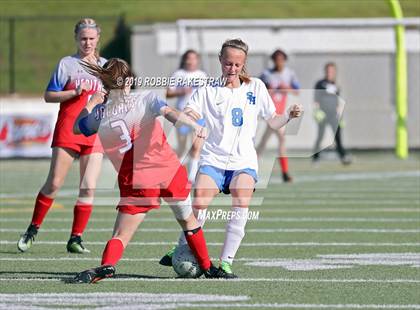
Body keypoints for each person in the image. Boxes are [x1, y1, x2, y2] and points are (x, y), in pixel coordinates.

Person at [72, 58, 230, 283]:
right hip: (167, 170)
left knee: (121, 235)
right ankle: (209, 267)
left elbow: (77, 127)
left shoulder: (100, 114)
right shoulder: (145, 98)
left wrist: (91, 102)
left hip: (137, 178)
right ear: (129, 81)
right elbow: (171, 113)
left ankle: (106, 266)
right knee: (189, 221)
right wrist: (194, 126)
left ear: (106, 85)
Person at [159, 39, 303, 278]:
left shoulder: (256, 87)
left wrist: (288, 116)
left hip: (243, 162)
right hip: (213, 159)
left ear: (244, 63)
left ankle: (226, 263)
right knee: (199, 201)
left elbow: (273, 120)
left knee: (241, 200)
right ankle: (183, 244)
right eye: (228, 63)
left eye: (237, 64)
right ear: (220, 60)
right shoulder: (207, 90)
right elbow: (191, 111)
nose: (232, 69)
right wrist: (191, 121)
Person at [17, 18, 106, 254]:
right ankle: (32, 229)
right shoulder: (67, 64)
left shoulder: (106, 66)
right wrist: (73, 92)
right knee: (54, 183)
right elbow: (49, 95)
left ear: (98, 39)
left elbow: (116, 97)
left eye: (91, 38)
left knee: (88, 188)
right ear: (76, 39)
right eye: (83, 38)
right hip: (69, 128)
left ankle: (75, 238)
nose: (87, 42)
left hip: (95, 132)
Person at [256, 49, 300, 182]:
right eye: (276, 59)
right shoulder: (266, 74)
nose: (279, 62)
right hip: (270, 113)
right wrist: (270, 90)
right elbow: (256, 90)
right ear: (273, 60)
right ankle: (285, 173)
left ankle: (252, 167)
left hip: (280, 113)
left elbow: (297, 90)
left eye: (281, 60)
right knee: (280, 140)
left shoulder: (289, 74)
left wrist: (286, 87)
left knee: (265, 143)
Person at [166, 50, 207, 182]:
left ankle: (192, 179)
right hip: (182, 114)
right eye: (188, 58)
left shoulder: (202, 75)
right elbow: (168, 93)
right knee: (183, 148)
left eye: (194, 58)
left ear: (197, 60)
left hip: (198, 115)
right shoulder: (179, 74)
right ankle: (173, 173)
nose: (191, 61)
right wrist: (180, 91)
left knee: (196, 146)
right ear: (184, 60)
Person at [312, 62, 351, 165]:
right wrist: (317, 111)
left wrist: (340, 115)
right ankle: (315, 157)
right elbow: (316, 99)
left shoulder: (336, 85)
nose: (330, 73)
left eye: (332, 71)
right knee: (320, 136)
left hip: (334, 115)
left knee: (338, 136)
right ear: (325, 71)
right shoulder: (320, 83)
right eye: (328, 70)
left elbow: (338, 100)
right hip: (323, 114)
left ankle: (343, 157)